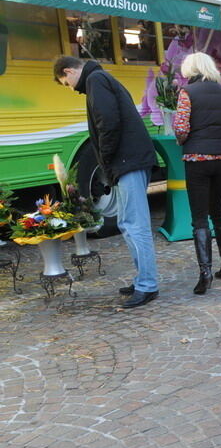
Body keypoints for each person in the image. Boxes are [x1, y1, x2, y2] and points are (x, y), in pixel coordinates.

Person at [53, 56, 159, 308]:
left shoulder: (96, 80)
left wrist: (107, 159)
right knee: (127, 222)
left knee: (135, 225)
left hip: (126, 162)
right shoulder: (99, 78)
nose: (70, 87)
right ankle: (143, 279)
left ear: (69, 71)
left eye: (65, 82)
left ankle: (148, 285)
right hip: (127, 162)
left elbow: (107, 124)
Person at [173, 52, 221, 295]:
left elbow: (181, 128)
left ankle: (205, 274)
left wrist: (186, 140)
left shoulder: (187, 93)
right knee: (219, 214)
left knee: (200, 217)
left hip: (197, 158)